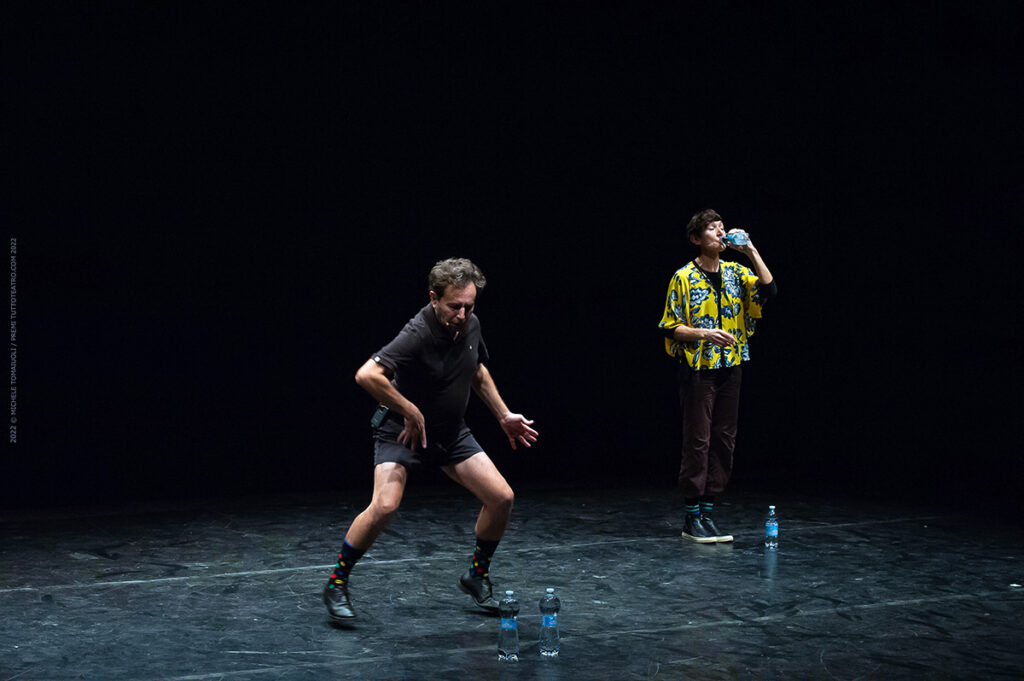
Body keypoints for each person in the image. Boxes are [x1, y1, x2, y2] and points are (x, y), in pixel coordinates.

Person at [324, 257, 539, 622]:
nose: (462, 314)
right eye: (455, 306)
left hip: (450, 433)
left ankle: (476, 575)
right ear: (434, 298)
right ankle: (336, 582)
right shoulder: (418, 332)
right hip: (401, 432)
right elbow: (367, 375)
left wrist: (503, 415)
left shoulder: (470, 325)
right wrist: (409, 409)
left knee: (501, 498)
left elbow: (478, 371)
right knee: (385, 506)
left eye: (469, 306)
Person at [658, 209, 776, 543]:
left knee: (724, 439)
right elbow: (670, 326)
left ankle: (708, 512)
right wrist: (705, 334)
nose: (720, 232)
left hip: (731, 366)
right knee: (698, 440)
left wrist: (750, 250)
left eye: (722, 227)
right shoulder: (683, 277)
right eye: (712, 228)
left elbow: (769, 290)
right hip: (699, 368)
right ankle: (692, 516)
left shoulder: (736, 272)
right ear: (696, 238)